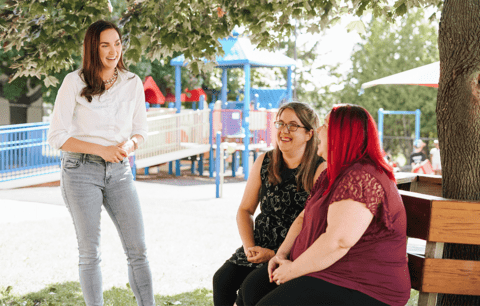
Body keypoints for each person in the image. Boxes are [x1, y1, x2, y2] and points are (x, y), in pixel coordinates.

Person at [236, 104, 411, 306]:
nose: (318, 130)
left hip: (362, 286)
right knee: (252, 288)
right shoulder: (332, 174)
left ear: (341, 135)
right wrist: (281, 254)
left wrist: (292, 271)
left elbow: (339, 241)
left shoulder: (361, 177)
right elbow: (303, 218)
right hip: (324, 271)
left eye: (325, 125)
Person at [47, 20, 155, 306]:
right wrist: (101, 150)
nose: (113, 51)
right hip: (80, 171)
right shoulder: (74, 82)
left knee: (138, 250)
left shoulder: (132, 83)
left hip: (120, 172)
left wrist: (130, 144)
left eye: (117, 44)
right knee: (89, 252)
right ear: (92, 48)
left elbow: (140, 130)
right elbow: (57, 137)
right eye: (105, 45)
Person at [212, 102, 326, 306]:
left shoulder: (319, 168)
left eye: (293, 125)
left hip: (292, 250)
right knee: (221, 280)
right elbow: (245, 210)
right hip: (258, 246)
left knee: (250, 290)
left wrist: (275, 253)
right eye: (280, 123)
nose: (284, 130)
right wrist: (249, 248)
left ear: (309, 134)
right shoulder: (265, 161)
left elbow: (312, 224)